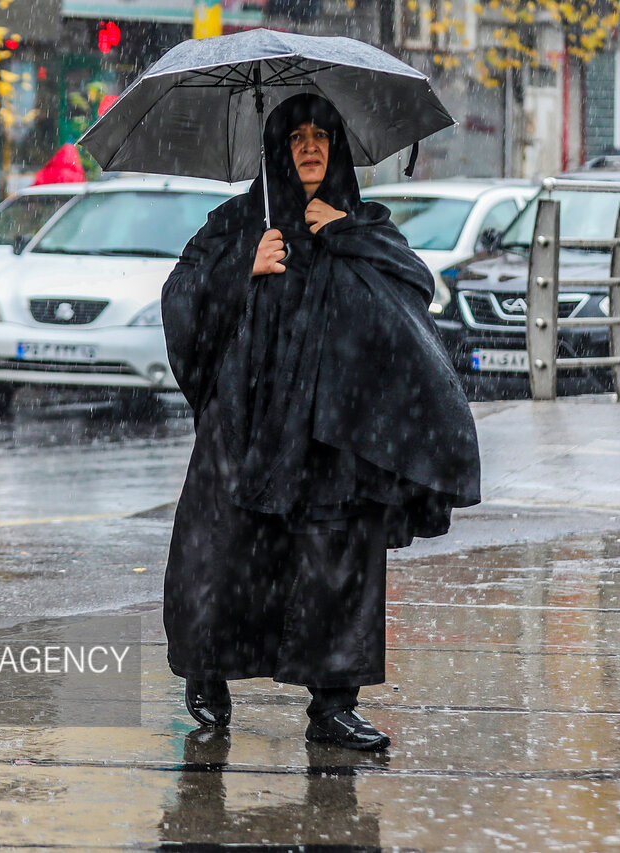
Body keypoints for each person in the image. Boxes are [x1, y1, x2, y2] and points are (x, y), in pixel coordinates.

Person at [160, 93, 481, 750]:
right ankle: (207, 674)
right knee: (224, 554)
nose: (310, 147)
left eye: (322, 136)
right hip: (247, 425)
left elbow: (408, 292)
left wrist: (343, 234)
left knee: (337, 558)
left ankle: (334, 705)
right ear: (278, 148)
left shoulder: (363, 225)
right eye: (297, 136)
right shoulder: (239, 224)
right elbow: (182, 299)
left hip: (334, 426)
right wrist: (242, 268)